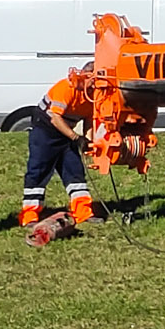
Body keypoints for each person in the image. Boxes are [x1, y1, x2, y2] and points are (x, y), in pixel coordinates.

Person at [21, 65, 96, 228]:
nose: (94, 86)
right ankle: (30, 214)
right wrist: (75, 137)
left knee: (75, 171)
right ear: (83, 77)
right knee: (38, 170)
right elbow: (56, 118)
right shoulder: (65, 88)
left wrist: (87, 141)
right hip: (45, 130)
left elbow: (89, 119)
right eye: (92, 81)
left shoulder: (93, 96)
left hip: (66, 132)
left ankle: (83, 212)